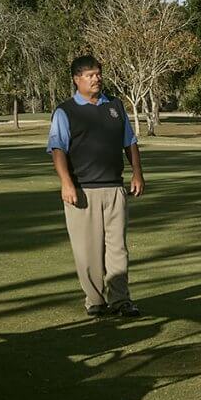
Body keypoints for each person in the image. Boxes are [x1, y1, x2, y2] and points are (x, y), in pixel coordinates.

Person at [47, 55, 145, 317]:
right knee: (88, 251)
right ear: (77, 79)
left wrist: (137, 174)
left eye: (98, 73)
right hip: (82, 191)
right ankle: (95, 301)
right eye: (90, 75)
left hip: (114, 188)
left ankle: (121, 300)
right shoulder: (65, 111)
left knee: (117, 249)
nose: (96, 79)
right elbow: (57, 148)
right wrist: (66, 183)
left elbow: (130, 142)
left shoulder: (115, 106)